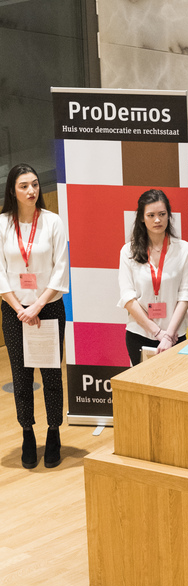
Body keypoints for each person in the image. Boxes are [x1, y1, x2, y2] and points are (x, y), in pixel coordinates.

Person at [0, 163, 69, 469]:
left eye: (35, 185)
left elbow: (60, 269)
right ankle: (28, 432)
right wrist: (20, 309)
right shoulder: (2, 224)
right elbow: (0, 273)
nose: (31, 191)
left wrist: (37, 307)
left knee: (52, 374)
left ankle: (53, 431)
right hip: (15, 311)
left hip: (48, 307)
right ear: (12, 191)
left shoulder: (53, 222)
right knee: (22, 376)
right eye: (24, 186)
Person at [118, 189, 188, 366]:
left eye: (162, 214)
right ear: (142, 218)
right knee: (142, 390)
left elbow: (185, 295)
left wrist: (168, 334)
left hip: (175, 335)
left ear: (169, 216)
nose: (157, 220)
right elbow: (128, 298)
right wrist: (158, 333)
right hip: (140, 334)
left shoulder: (184, 250)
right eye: (151, 215)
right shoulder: (128, 251)